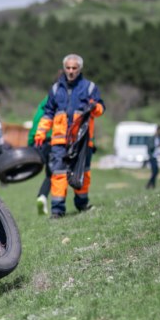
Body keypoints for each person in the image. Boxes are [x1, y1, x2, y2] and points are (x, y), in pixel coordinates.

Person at [33, 54, 105, 218]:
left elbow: (101, 109)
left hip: (82, 140)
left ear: (80, 69)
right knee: (58, 174)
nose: (71, 71)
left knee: (82, 173)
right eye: (68, 68)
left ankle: (82, 204)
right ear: (64, 68)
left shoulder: (90, 87)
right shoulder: (55, 89)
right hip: (60, 141)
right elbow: (48, 113)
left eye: (74, 68)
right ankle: (57, 210)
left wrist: (95, 107)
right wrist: (40, 132)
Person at [28, 93, 53, 215]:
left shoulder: (41, 106)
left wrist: (29, 145)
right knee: (52, 173)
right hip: (50, 140)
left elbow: (34, 126)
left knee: (49, 171)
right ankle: (43, 196)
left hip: (35, 141)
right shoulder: (59, 102)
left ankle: (42, 197)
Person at [146, 125, 160, 189]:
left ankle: (152, 186)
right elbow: (151, 147)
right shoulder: (152, 138)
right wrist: (158, 145)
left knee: (155, 172)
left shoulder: (158, 138)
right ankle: (149, 185)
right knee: (155, 171)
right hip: (152, 157)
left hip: (155, 157)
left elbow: (157, 149)